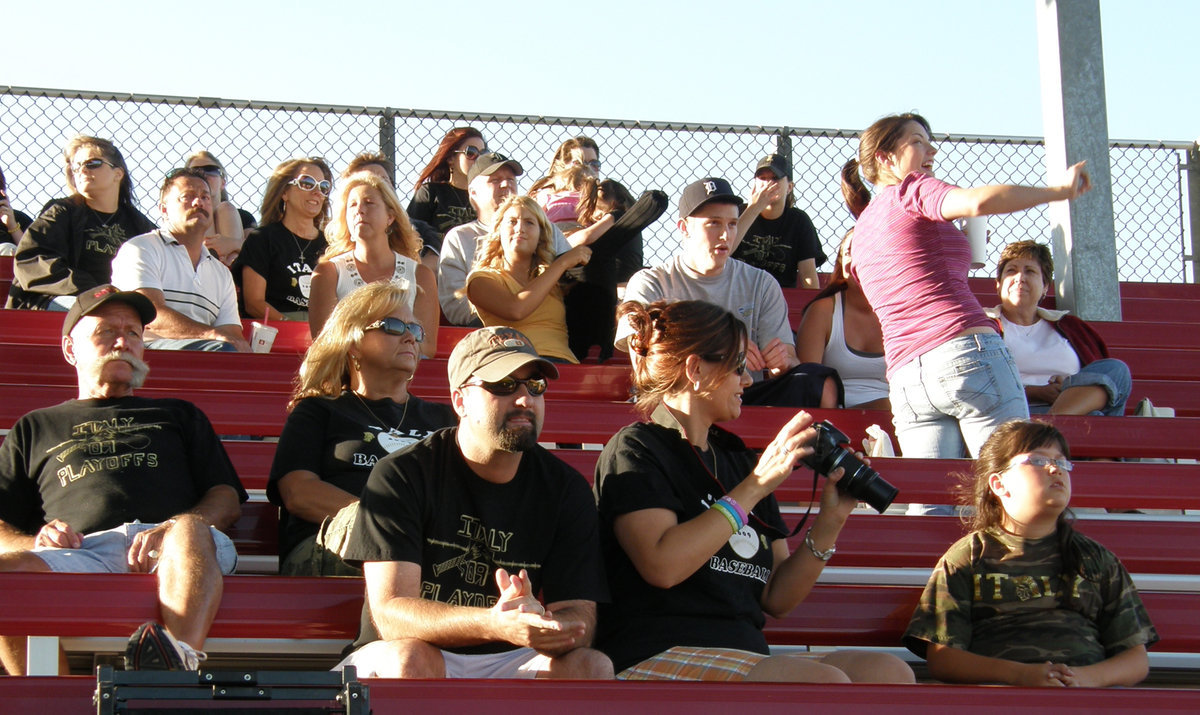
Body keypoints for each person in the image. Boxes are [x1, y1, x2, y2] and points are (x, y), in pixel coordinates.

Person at [595, 299, 913, 683]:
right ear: (695, 369)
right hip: (655, 650)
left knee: (886, 672)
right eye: (738, 367)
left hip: (741, 651)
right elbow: (663, 566)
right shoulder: (638, 448)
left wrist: (832, 519)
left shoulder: (737, 460)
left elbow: (777, 599)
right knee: (825, 686)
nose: (747, 381)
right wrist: (755, 486)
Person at [336, 326, 612, 679]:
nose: (525, 399)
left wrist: (544, 624)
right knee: (412, 661)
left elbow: (579, 617)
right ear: (460, 400)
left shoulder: (566, 489)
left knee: (592, 667)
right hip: (407, 649)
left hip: (510, 657)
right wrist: (494, 624)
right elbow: (391, 614)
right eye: (503, 385)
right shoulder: (401, 474)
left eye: (535, 386)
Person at [0, 285, 247, 675]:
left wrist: (173, 527)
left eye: (133, 333)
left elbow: (226, 497)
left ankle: (171, 674)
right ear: (70, 349)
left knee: (189, 528)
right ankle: (55, 698)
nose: (123, 342)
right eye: (105, 332)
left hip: (178, 548)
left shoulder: (179, 414)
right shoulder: (35, 426)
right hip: (81, 553)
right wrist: (35, 540)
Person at [841, 112, 1092, 458]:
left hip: (907, 377)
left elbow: (911, 281)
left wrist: (954, 244)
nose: (932, 150)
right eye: (917, 141)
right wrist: (1058, 191)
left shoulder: (863, 230)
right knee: (1011, 481)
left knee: (930, 502)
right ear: (884, 158)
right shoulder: (912, 190)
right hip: (965, 352)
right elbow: (977, 202)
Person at [903, 419, 1158, 686]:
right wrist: (1022, 675)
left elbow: (1135, 660)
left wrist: (1084, 679)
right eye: (1037, 461)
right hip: (1001, 698)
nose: (1054, 469)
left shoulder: (1095, 559)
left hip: (1086, 698)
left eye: (1061, 462)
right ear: (999, 485)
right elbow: (944, 659)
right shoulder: (968, 558)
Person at [268, 282, 456, 576]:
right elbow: (298, 492)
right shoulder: (319, 410)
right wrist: (387, 521)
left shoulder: (444, 419)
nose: (410, 337)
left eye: (415, 330)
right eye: (393, 326)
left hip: (429, 545)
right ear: (353, 341)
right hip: (337, 544)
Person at [617, 177, 840, 409]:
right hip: (681, 396)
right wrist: (726, 347)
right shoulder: (650, 282)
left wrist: (782, 364)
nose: (725, 235)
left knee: (816, 380)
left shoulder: (761, 283)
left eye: (732, 224)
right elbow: (645, 363)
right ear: (684, 228)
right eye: (713, 223)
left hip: (744, 395)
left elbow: (790, 359)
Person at [983, 240, 1132, 417]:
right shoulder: (982, 326)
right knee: (1093, 420)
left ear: (1045, 286)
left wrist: (1069, 387)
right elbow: (973, 384)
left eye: (1030, 271)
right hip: (1013, 412)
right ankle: (1049, 429)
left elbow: (1099, 382)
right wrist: (1034, 392)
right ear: (998, 284)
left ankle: (1049, 426)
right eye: (1011, 271)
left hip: (1072, 411)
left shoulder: (1069, 326)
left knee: (1117, 370)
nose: (1020, 278)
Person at [110, 168, 250, 352]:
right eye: (187, 196)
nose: (198, 202)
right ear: (164, 209)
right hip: (145, 351)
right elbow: (151, 315)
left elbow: (231, 332)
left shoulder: (221, 273)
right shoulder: (141, 248)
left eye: (205, 197)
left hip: (208, 353)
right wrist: (211, 335)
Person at [7, 136, 155, 310]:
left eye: (92, 163)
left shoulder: (138, 225)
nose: (82, 170)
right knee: (103, 312)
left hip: (120, 303)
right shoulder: (61, 212)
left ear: (118, 173)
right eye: (76, 167)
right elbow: (31, 261)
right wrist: (94, 291)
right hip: (57, 299)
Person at [306, 171, 439, 356]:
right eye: (352, 205)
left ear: (390, 217)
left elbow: (426, 347)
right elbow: (325, 346)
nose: (359, 210)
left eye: (369, 203)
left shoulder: (420, 275)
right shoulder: (328, 273)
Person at [465, 196, 590, 363]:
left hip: (563, 365)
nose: (520, 228)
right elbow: (516, 309)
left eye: (529, 223)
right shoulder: (481, 279)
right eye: (512, 221)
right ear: (498, 231)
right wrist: (562, 263)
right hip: (514, 365)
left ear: (541, 235)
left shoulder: (557, 279)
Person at [795, 230, 889, 410]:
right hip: (835, 414)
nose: (854, 260)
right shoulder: (823, 311)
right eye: (848, 253)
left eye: (863, 252)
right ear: (840, 261)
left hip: (900, 413)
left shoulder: (902, 311)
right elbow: (809, 385)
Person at [232, 157, 332, 321]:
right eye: (307, 183)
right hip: (275, 328)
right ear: (284, 192)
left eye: (323, 187)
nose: (317, 192)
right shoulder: (262, 239)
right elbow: (254, 302)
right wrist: (290, 327)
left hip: (321, 329)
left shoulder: (331, 246)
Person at [731, 154, 826, 289]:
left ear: (789, 187)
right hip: (738, 291)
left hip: (780, 296)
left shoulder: (798, 220)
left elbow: (808, 274)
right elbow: (726, 249)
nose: (768, 184)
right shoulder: (738, 213)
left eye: (775, 179)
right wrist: (754, 208)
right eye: (762, 178)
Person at [408, 127, 486, 237]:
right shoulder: (431, 192)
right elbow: (409, 234)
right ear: (450, 158)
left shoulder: (488, 196)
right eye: (471, 152)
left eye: (483, 154)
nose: (478, 159)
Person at [183, 151, 246, 266]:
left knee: (226, 208)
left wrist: (233, 244)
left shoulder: (242, 216)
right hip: (197, 266)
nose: (203, 174)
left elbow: (259, 249)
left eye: (210, 169)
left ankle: (231, 267)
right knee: (202, 214)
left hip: (236, 270)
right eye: (194, 172)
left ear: (223, 182)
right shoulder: (182, 218)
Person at [0, 163, 33, 250]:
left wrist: (12, 225)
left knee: (7, 248)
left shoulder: (19, 219)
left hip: (9, 258)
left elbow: (34, 256)